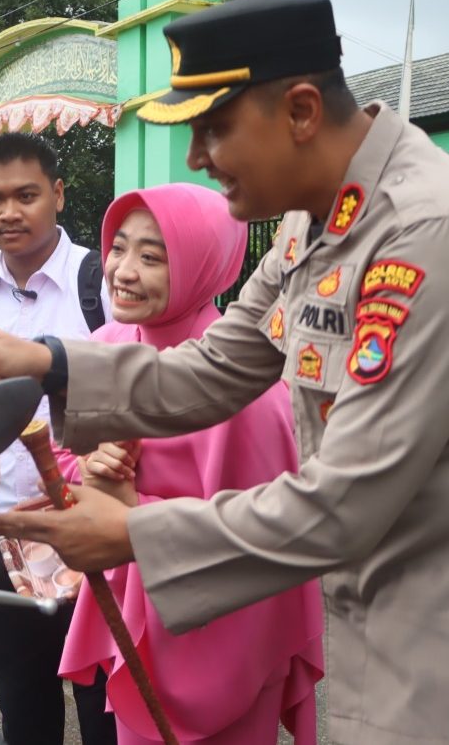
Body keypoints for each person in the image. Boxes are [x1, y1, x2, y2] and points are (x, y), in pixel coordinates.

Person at [0, 0, 449, 745]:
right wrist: (48, 362)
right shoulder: (314, 219)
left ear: (300, 112)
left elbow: (345, 499)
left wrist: (135, 533)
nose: (196, 158)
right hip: (386, 617)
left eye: (214, 129)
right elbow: (217, 366)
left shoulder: (432, 232)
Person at [60, 183, 323, 745]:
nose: (123, 271)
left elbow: (267, 545)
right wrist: (89, 466)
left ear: (204, 265)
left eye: (152, 257)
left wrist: (133, 510)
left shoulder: (248, 391)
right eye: (118, 248)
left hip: (222, 639)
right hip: (134, 619)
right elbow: (62, 462)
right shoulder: (104, 345)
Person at [0, 131, 113, 745]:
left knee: (106, 708)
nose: (8, 213)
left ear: (58, 194)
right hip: (4, 535)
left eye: (26, 195)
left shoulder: (102, 283)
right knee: (23, 706)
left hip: (93, 531)